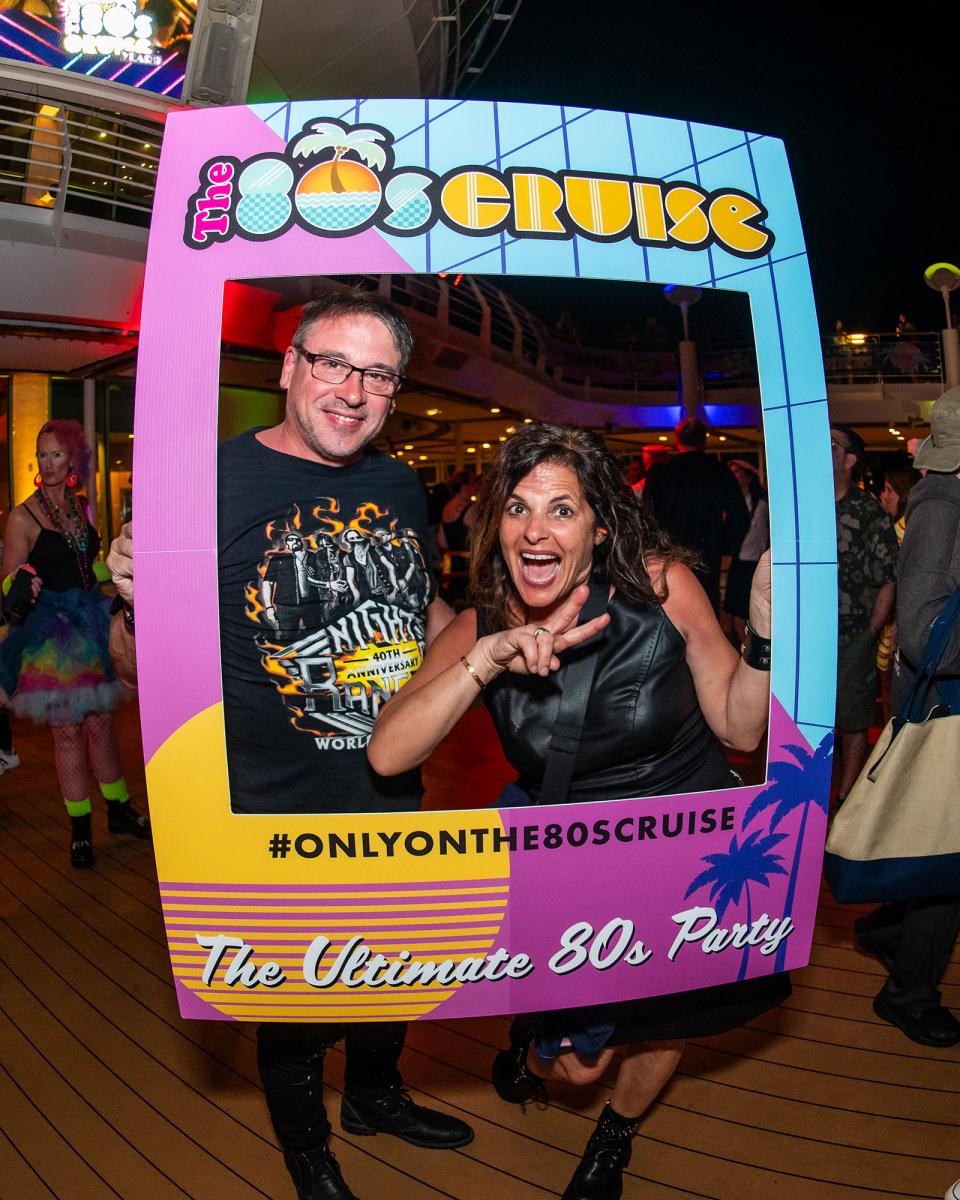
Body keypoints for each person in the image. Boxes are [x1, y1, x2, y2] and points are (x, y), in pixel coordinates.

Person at [107, 289, 471, 1200]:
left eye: (378, 374)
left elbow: (420, 608)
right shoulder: (205, 483)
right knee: (298, 997)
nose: (353, 390)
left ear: (395, 392)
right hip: (269, 801)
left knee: (392, 964)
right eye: (333, 363)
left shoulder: (399, 484)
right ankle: (308, 1149)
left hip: (389, 787)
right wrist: (134, 602)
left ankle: (376, 1096)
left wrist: (485, 651)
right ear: (288, 366)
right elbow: (132, 667)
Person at [368, 421, 789, 1200]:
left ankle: (614, 1137)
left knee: (666, 1021)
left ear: (600, 525)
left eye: (561, 509)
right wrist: (484, 658)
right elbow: (390, 753)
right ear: (496, 523)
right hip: (573, 865)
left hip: (682, 852)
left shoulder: (664, 586)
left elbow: (739, 727)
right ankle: (535, 1045)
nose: (536, 530)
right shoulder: (482, 622)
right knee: (577, 1065)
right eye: (519, 507)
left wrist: (763, 636)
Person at [856, 388, 960, 1048]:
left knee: (938, 844)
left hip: (947, 707)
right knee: (950, 860)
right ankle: (908, 993)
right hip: (944, 708)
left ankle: (889, 930)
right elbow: (924, 635)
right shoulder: (944, 506)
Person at [0, 420, 148, 867]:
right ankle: (80, 829)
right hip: (51, 636)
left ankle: (118, 809)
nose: (47, 463)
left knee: (101, 723)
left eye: (56, 454)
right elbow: (7, 580)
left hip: (90, 621)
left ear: (72, 460)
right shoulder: (23, 517)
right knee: (67, 733)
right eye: (41, 454)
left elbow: (89, 566)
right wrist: (18, 582)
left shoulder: (79, 506)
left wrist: (122, 579)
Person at [831, 423, 898, 804]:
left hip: (854, 633)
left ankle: (846, 797)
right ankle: (811, 790)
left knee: (853, 717)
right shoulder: (806, 509)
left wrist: (871, 631)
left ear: (850, 460)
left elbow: (888, 577)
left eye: (832, 444)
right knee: (810, 718)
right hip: (808, 634)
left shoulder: (870, 512)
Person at [642, 417, 749, 611]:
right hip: (707, 552)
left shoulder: (661, 473)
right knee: (705, 608)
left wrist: (655, 547)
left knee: (671, 607)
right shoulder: (718, 471)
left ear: (677, 440)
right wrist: (725, 545)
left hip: (669, 552)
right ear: (704, 440)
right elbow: (740, 515)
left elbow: (648, 516)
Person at [875, 463, 920, 721]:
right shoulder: (907, 526)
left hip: (901, 628)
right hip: (895, 624)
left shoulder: (900, 531)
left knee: (894, 692)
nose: (884, 496)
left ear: (903, 494)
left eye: (889, 490)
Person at [723, 459, 770, 644]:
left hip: (755, 562)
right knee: (736, 614)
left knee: (749, 612)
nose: (733, 476)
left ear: (748, 477)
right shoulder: (733, 502)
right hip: (739, 561)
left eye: (737, 472)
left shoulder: (762, 501)